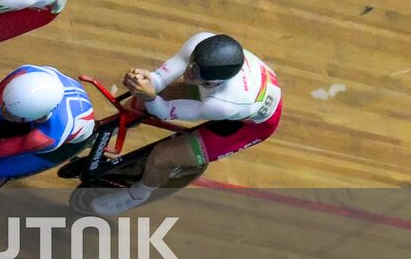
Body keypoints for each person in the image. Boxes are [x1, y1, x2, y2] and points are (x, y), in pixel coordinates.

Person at [90, 32, 282, 216]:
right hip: (229, 93)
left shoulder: (223, 104)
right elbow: (159, 79)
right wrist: (144, 80)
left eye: (197, 74)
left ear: (214, 82)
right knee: (140, 102)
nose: (189, 74)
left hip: (252, 125)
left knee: (162, 156)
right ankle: (108, 132)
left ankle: (137, 195)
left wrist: (149, 96)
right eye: (192, 65)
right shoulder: (202, 42)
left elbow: (165, 112)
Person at [0, 65, 96, 187]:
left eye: (10, 112)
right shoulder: (26, 73)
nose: (3, 111)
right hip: (34, 110)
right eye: (3, 104)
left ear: (33, 117)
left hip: (60, 145)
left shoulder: (47, 136)